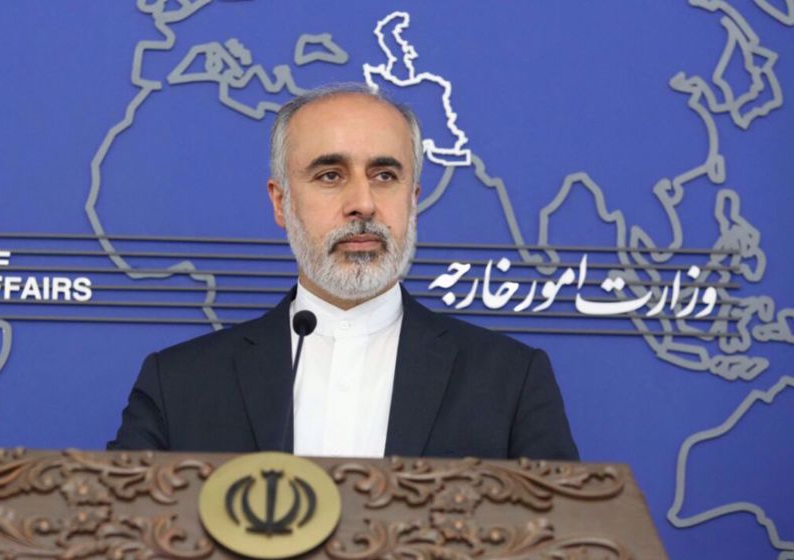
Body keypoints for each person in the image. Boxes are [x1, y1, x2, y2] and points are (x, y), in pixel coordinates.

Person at [108, 83, 578, 460]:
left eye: (385, 176)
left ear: (413, 200)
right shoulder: (179, 384)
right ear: (280, 201)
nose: (363, 204)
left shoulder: (510, 381)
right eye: (330, 176)